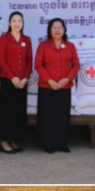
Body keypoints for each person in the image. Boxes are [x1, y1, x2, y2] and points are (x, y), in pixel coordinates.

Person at [35, 18, 80, 153]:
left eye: (60, 27)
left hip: (64, 87)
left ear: (64, 30)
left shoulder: (70, 46)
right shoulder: (43, 46)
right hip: (47, 87)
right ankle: (48, 143)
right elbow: (38, 65)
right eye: (54, 27)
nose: (57, 30)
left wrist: (67, 79)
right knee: (48, 116)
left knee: (62, 116)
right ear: (50, 30)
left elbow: (76, 65)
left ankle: (62, 143)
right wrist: (49, 80)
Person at [0, 11, 32, 154]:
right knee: (8, 112)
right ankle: (4, 141)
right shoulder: (4, 39)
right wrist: (12, 77)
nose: (17, 23)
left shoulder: (27, 39)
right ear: (9, 23)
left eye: (19, 21)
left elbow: (29, 61)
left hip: (22, 82)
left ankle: (14, 140)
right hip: (8, 81)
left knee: (18, 112)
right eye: (14, 20)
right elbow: (1, 61)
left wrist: (25, 78)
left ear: (23, 23)